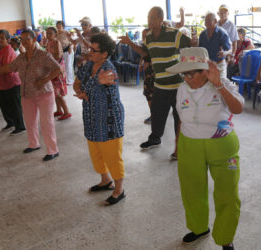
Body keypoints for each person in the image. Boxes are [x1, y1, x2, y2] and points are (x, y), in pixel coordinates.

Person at [166, 47, 243, 250]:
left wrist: (219, 85)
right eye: (184, 73)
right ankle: (199, 227)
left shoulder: (222, 83)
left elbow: (238, 108)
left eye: (191, 73)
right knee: (192, 190)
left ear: (205, 70)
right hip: (189, 144)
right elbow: (181, 119)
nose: (187, 78)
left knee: (228, 192)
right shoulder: (182, 88)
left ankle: (225, 237)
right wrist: (178, 144)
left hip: (222, 144)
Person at [119, 6, 193, 159]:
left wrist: (187, 70)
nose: (149, 20)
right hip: (159, 84)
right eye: (148, 17)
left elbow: (190, 45)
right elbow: (145, 52)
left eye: (152, 17)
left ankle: (179, 148)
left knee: (179, 118)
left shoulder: (174, 34)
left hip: (176, 85)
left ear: (160, 19)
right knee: (157, 114)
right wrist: (130, 43)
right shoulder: (150, 36)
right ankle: (155, 139)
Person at [0, 29, 62, 161]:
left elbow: (58, 69)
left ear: (34, 39)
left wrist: (44, 80)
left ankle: (52, 150)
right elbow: (9, 68)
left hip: (44, 93)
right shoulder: (21, 58)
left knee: (46, 122)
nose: (24, 42)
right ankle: (34, 144)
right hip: (27, 93)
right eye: (22, 39)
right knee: (30, 121)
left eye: (27, 39)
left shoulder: (43, 55)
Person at [74, 33, 125, 206]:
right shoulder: (89, 65)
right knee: (96, 150)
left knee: (112, 155)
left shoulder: (108, 70)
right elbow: (77, 82)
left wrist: (85, 89)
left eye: (94, 50)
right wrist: (80, 91)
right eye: (90, 49)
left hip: (108, 118)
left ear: (104, 54)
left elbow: (93, 84)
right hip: (91, 116)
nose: (90, 53)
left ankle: (119, 190)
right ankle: (105, 180)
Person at [0, 29, 26, 135]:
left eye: (2, 38)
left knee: (14, 106)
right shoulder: (3, 50)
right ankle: (11, 123)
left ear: (7, 39)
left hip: (12, 83)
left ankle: (20, 126)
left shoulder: (9, 50)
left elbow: (6, 68)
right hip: (3, 84)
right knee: (3, 104)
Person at [45, 27, 71, 120]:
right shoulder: (48, 42)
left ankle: (67, 112)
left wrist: (48, 57)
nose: (48, 35)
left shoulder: (56, 42)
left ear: (55, 35)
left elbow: (59, 55)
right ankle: (59, 110)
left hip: (58, 68)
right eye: (47, 33)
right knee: (55, 91)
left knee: (58, 92)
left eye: (50, 33)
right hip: (52, 68)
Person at [199, 12, 232, 78]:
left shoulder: (222, 33)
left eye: (209, 20)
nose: (206, 22)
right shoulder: (202, 35)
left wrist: (224, 53)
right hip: (206, 66)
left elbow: (230, 50)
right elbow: (200, 49)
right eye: (205, 20)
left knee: (221, 85)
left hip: (219, 66)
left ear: (215, 21)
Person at [140, 28, 155, 124]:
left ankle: (154, 116)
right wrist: (141, 64)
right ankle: (153, 115)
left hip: (153, 73)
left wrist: (149, 65)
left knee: (151, 95)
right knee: (148, 94)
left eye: (146, 35)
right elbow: (143, 56)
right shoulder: (144, 46)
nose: (144, 37)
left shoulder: (154, 46)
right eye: (143, 36)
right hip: (147, 74)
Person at [56, 20, 74, 85]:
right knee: (62, 66)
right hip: (61, 51)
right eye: (57, 26)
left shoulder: (66, 32)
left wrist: (70, 48)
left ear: (63, 26)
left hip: (68, 50)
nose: (59, 27)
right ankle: (64, 79)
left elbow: (72, 41)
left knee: (68, 66)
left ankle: (70, 80)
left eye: (60, 26)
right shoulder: (56, 33)